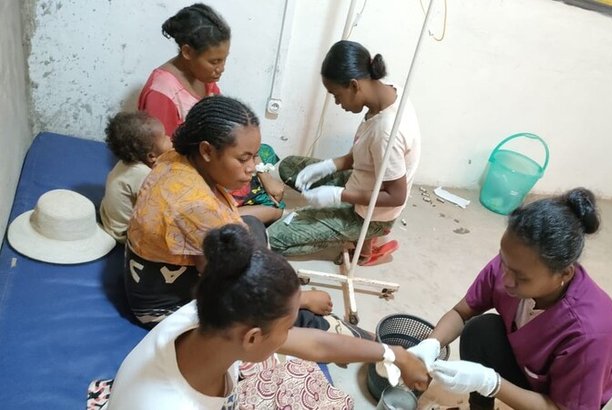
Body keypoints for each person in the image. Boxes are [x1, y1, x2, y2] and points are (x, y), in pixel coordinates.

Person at [108, 223, 429, 409]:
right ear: (252, 338)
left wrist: (394, 354)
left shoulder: (209, 313)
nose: (292, 333)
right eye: (287, 327)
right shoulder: (170, 402)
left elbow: (317, 345)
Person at [126, 95, 358, 341]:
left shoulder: (177, 157)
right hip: (167, 308)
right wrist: (303, 299)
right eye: (243, 158)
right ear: (207, 150)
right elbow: (227, 285)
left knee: (253, 225)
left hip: (163, 275)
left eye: (254, 157)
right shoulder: (195, 206)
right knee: (285, 315)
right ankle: (348, 338)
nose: (252, 167)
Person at [407, 188, 612, 410]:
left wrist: (490, 382)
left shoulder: (592, 332)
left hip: (574, 403)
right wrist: (431, 344)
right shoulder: (515, 263)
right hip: (534, 374)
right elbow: (461, 312)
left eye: (521, 277)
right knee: (480, 331)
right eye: (504, 262)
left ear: (564, 273)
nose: (506, 280)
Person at [268, 40, 421, 265]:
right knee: (289, 166)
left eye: (336, 95)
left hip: (370, 213)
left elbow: (396, 196)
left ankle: (360, 236)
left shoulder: (387, 130)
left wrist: (338, 195)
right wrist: (328, 166)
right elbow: (363, 152)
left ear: (354, 85)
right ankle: (349, 229)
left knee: (273, 240)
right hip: (361, 180)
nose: (338, 103)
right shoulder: (387, 92)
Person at [138, 3, 284, 225]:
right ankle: (251, 211)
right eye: (214, 61)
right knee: (267, 200)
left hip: (211, 156)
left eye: (224, 59)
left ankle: (255, 201)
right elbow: (164, 160)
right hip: (191, 169)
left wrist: (262, 172)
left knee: (263, 151)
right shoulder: (162, 93)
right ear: (187, 52)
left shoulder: (204, 78)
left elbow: (226, 120)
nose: (221, 68)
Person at [99, 111, 172, 243]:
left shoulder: (125, 162)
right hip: (125, 232)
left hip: (108, 218)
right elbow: (160, 204)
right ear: (151, 156)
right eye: (164, 137)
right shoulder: (143, 175)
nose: (170, 138)